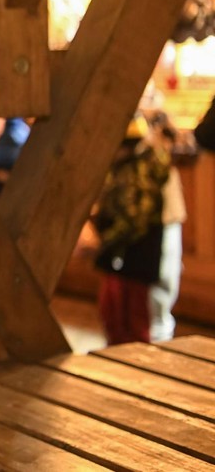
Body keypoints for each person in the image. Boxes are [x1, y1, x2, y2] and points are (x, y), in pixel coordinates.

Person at [92, 115, 171, 345]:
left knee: (132, 321)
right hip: (121, 253)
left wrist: (104, 241)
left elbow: (135, 219)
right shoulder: (124, 167)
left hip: (133, 254)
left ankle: (135, 369)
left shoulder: (140, 170)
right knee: (113, 314)